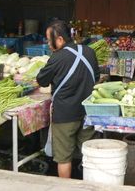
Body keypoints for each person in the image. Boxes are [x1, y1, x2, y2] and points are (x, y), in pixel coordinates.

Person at [37, 20, 100, 178]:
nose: (47, 43)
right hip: (87, 113)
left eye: (48, 39)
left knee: (64, 158)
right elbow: (96, 77)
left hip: (65, 115)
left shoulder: (57, 58)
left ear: (59, 39)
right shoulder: (89, 52)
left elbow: (41, 80)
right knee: (90, 156)